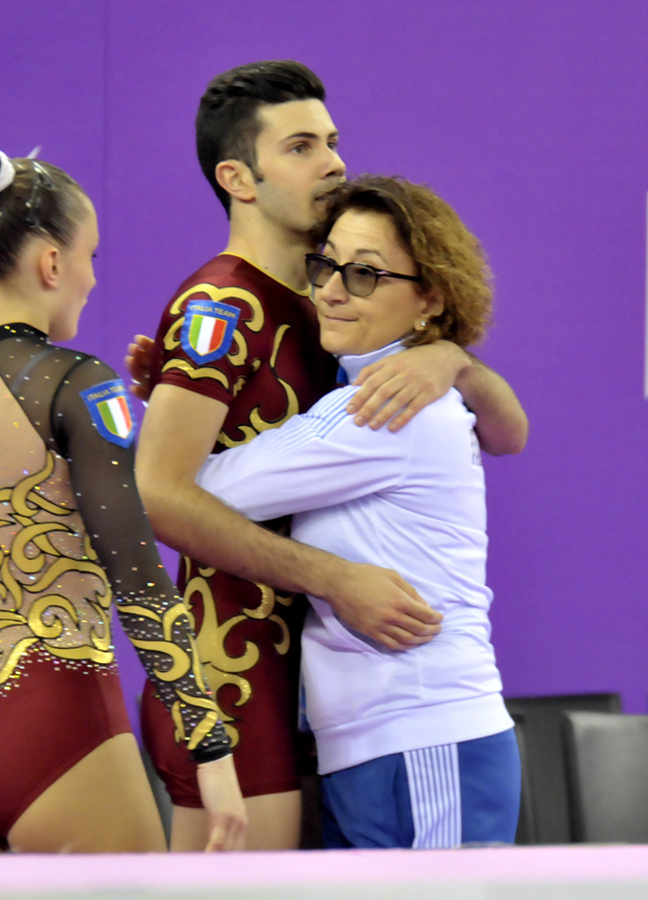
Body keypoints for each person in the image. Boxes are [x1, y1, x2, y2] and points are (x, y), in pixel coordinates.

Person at [130, 61, 528, 851]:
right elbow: (161, 492)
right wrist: (335, 579)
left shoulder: (324, 311)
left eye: (334, 142)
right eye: (303, 146)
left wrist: (450, 358)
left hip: (320, 684)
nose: (334, 163)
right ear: (238, 178)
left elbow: (509, 431)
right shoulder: (226, 303)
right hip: (239, 670)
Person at [0, 139, 246, 853]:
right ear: (52, 263)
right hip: (61, 733)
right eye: (91, 257)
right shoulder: (78, 382)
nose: (91, 279)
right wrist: (211, 749)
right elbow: (138, 579)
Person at [196, 174, 521, 848]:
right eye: (327, 265)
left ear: (430, 298)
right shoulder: (367, 394)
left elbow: (197, 491)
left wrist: (182, 399)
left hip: (424, 737)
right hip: (378, 745)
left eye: (366, 274)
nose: (333, 290)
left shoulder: (378, 409)